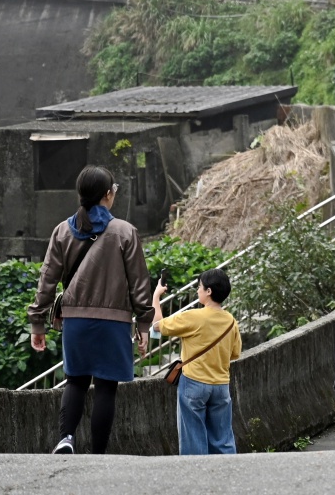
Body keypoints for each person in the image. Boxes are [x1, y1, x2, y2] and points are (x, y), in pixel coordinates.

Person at [28, 165, 154, 454]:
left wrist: (38, 323)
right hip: (114, 323)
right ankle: (97, 454)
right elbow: (139, 283)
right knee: (106, 387)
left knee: (76, 381)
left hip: (75, 322)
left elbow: (47, 279)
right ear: (108, 195)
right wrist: (144, 325)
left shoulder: (62, 230)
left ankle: (66, 438)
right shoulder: (125, 232)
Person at [152, 268, 242, 454]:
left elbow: (157, 327)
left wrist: (156, 296)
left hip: (194, 383)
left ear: (209, 291)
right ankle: (228, 474)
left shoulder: (193, 317)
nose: (198, 290)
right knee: (223, 438)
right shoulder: (231, 321)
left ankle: (197, 476)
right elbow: (235, 353)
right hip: (221, 385)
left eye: (200, 287)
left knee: (193, 438)